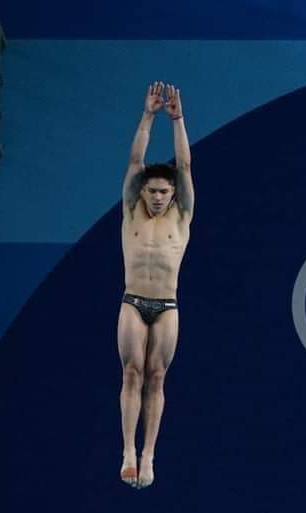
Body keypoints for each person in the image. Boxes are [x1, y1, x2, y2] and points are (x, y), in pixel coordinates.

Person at [117, 81, 194, 488]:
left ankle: (149, 457)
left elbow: (184, 167)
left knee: (157, 376)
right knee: (132, 373)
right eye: (152, 191)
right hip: (133, 302)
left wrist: (177, 119)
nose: (159, 198)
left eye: (165, 192)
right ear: (142, 192)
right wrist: (148, 116)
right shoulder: (132, 213)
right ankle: (128, 449)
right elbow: (134, 160)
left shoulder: (181, 217)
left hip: (166, 306)